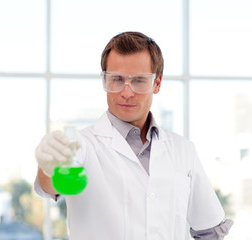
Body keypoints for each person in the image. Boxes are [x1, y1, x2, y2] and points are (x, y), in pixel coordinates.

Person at [34, 31, 233, 239]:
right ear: (105, 81)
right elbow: (52, 185)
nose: (127, 92)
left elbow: (210, 229)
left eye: (139, 81)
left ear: (157, 83)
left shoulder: (183, 150)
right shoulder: (82, 145)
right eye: (117, 79)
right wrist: (48, 168)